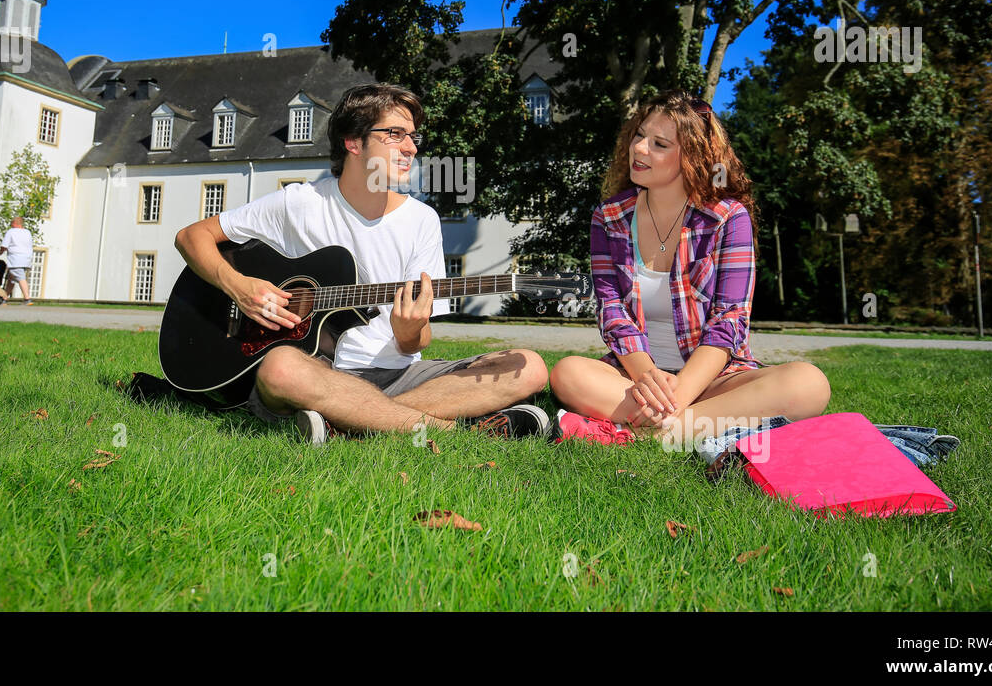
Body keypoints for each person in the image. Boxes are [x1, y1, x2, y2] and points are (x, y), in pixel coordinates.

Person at [174, 83, 551, 444]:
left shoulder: (422, 220)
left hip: (399, 374)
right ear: (353, 142)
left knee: (528, 365)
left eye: (413, 136)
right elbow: (191, 237)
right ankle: (456, 429)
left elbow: (417, 343)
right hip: (317, 371)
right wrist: (239, 287)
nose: (411, 148)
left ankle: (348, 421)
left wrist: (408, 332)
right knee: (281, 369)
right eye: (395, 134)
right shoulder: (299, 203)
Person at [549, 89, 830, 448]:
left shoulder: (728, 217)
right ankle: (689, 430)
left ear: (693, 156)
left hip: (714, 379)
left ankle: (646, 433)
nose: (638, 148)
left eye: (659, 144)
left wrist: (678, 397)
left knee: (808, 383)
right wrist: (650, 377)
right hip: (637, 378)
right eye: (639, 135)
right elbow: (612, 310)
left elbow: (729, 320)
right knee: (568, 374)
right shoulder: (609, 217)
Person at [0, 216, 34, 305]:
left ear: (14, 223)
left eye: (11, 223)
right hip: (26, 259)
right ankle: (4, 298)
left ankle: (27, 298)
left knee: (21, 278)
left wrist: (0, 253)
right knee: (11, 279)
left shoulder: (11, 232)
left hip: (15, 259)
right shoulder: (27, 232)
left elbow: (4, 245)